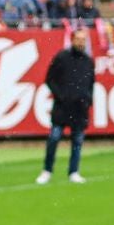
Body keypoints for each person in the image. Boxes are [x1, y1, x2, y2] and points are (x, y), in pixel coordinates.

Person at [37, 29, 95, 186]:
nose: (81, 42)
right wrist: (60, 96)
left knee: (77, 141)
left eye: (83, 39)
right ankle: (47, 170)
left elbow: (91, 84)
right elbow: (49, 79)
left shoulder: (88, 61)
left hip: (79, 109)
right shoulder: (62, 57)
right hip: (62, 108)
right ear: (72, 40)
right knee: (54, 138)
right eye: (78, 39)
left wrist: (88, 100)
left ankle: (73, 171)